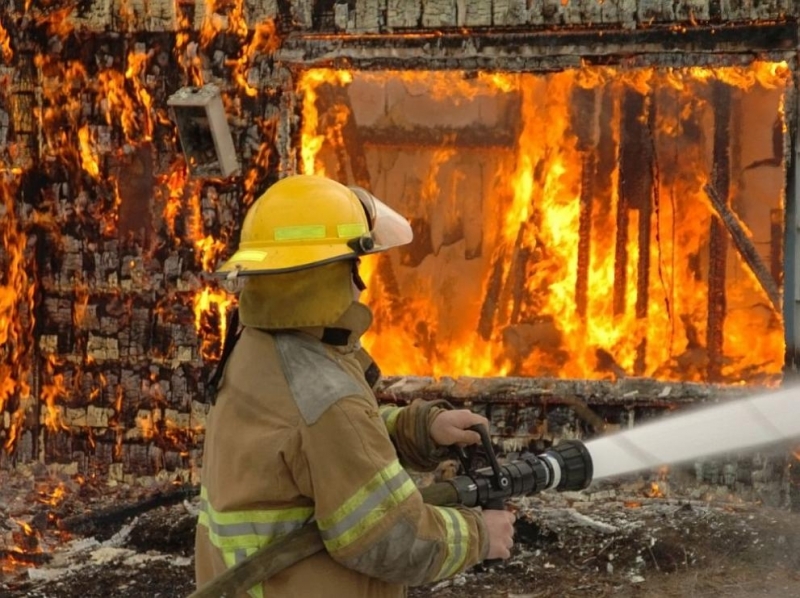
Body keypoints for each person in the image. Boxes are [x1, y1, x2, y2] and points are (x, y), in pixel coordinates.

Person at [194, 174, 516, 597]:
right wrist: (480, 535)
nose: (358, 283)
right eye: (354, 267)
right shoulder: (325, 395)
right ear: (330, 276)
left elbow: (312, 446)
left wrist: (416, 428)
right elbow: (393, 538)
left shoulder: (260, 349)